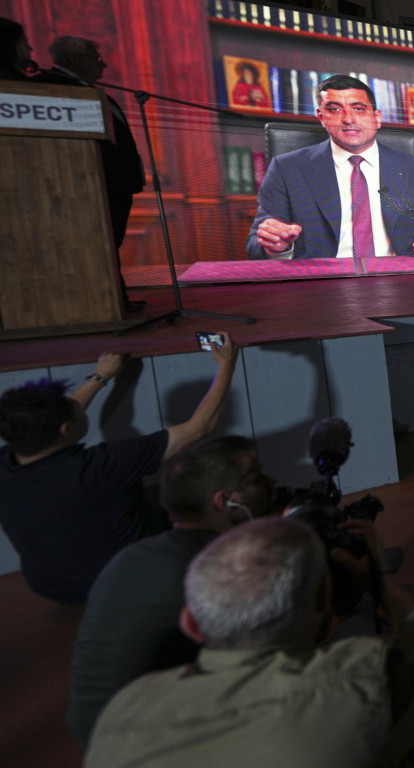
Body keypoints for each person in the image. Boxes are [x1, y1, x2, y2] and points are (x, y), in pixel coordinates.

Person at [85, 517, 414, 767]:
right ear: (323, 600)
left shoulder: (120, 714)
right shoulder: (361, 681)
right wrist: (384, 583)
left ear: (191, 623)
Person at [66, 436, 276, 747]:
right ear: (226, 502)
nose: (271, 482)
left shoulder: (133, 555)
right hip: (151, 741)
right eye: (255, 478)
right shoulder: (223, 569)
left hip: (96, 732)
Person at [0, 337, 239, 604]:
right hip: (123, 582)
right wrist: (226, 365)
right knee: (199, 500)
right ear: (65, 429)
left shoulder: (8, 460)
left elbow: (60, 416)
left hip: (49, 586)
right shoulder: (101, 466)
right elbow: (200, 427)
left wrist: (101, 376)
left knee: (152, 495)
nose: (77, 406)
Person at [247, 74, 414, 259]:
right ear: (321, 117)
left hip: (399, 278)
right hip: (322, 281)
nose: (348, 119)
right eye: (334, 109)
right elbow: (255, 247)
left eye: (359, 109)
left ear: (377, 118)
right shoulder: (286, 169)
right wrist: (278, 246)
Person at [33, 36, 147, 312]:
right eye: (96, 59)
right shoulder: (54, 88)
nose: (103, 65)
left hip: (115, 185)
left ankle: (117, 300)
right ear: (74, 60)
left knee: (110, 245)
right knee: (98, 245)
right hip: (88, 186)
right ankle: (107, 303)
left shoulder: (91, 91)